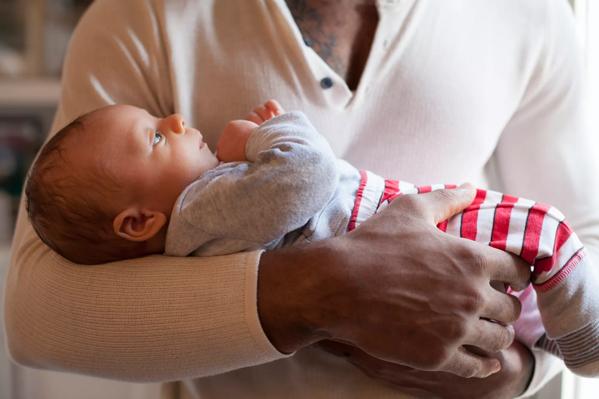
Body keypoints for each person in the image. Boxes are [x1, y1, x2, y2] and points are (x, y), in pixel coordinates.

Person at [4, 0, 597, 397]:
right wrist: (331, 290)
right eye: (158, 133)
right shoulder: (142, 16)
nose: (178, 124)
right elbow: (35, 316)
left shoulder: (529, 15)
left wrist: (506, 376)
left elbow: (590, 243)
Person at [23, 98, 599, 377]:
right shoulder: (200, 209)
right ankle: (583, 341)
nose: (175, 120)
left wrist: (522, 382)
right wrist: (266, 135)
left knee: (519, 291)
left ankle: (556, 343)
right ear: (138, 223)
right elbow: (309, 174)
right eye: (153, 137)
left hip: (418, 253)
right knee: (542, 228)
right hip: (394, 224)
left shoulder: (205, 218)